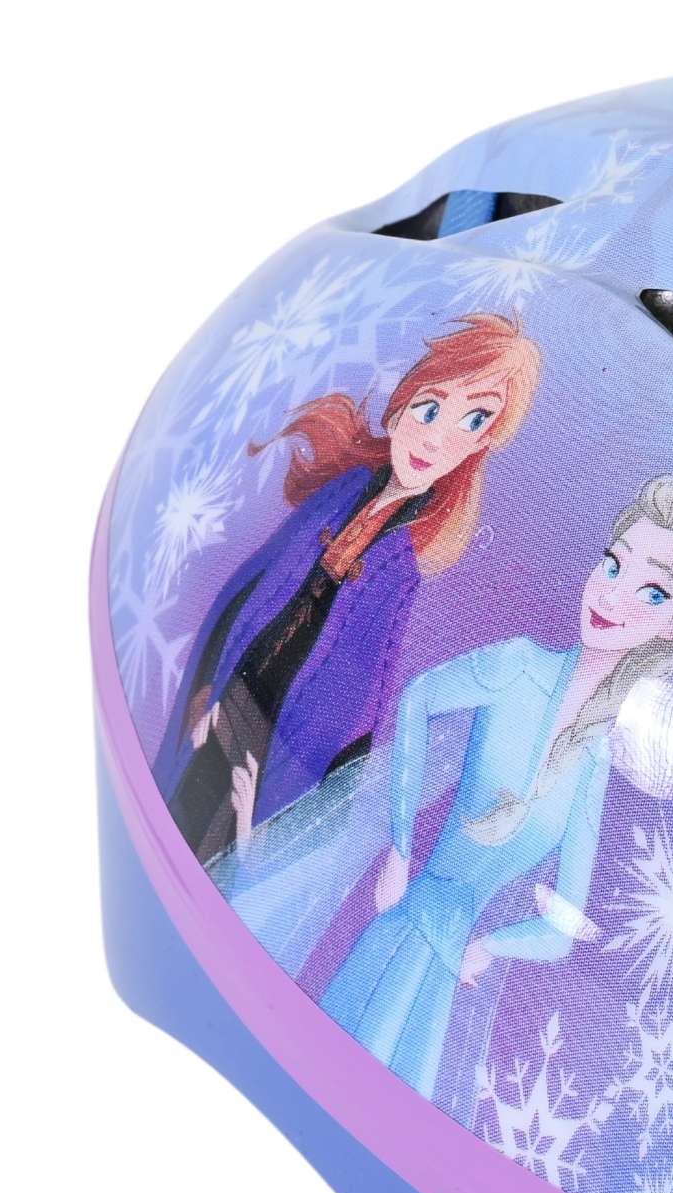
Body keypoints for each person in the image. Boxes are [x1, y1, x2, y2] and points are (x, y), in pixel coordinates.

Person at [319, 473, 673, 1099]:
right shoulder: (517, 666)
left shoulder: (595, 763)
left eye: (652, 591)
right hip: (406, 912)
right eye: (613, 563)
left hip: (449, 959)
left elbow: (564, 924)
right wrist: (400, 847)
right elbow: (417, 699)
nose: (612, 592)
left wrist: (492, 946)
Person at [154, 315, 542, 863]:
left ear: (481, 444)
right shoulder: (345, 490)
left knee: (212, 845)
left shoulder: (403, 564)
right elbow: (254, 582)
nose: (435, 437)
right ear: (401, 406)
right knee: (174, 809)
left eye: (473, 421)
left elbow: (363, 694)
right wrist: (205, 690)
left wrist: (283, 806)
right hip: (234, 683)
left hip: (278, 743)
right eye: (430, 408)